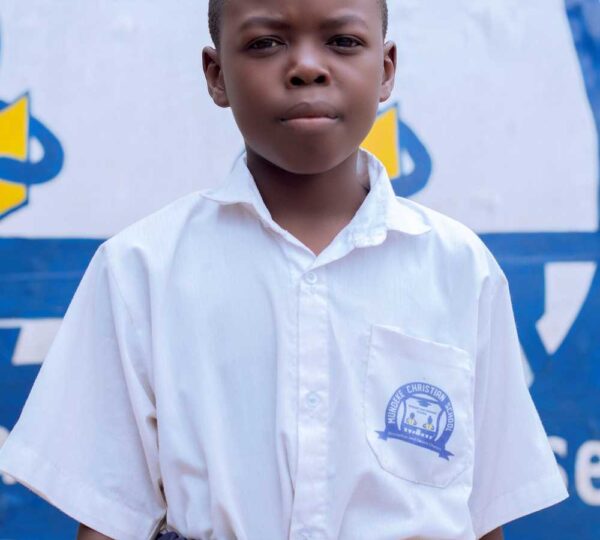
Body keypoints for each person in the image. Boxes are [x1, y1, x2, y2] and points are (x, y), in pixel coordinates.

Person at [0, 0, 568, 539]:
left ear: (386, 68)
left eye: (342, 41)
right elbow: (107, 519)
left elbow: (483, 516)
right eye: (266, 43)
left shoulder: (460, 269)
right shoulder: (140, 270)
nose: (307, 68)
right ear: (216, 75)